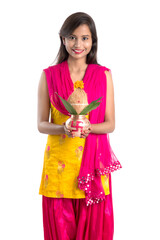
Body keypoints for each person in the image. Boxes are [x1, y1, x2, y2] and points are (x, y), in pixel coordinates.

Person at [37, 12, 122, 240]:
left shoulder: (103, 75)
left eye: (85, 38)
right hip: (59, 167)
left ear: (93, 41)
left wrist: (88, 127)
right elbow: (41, 124)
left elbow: (110, 124)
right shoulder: (49, 76)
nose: (78, 44)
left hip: (92, 167)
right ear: (63, 39)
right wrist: (64, 127)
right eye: (72, 37)